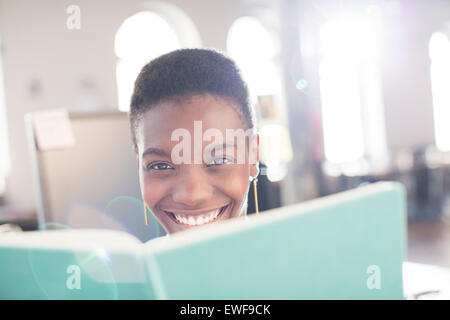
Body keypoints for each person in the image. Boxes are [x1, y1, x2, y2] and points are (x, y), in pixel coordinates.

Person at [129, 48, 260, 235]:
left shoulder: (304, 260)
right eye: (161, 166)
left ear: (253, 156)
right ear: (139, 168)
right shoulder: (136, 264)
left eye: (220, 160)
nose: (191, 195)